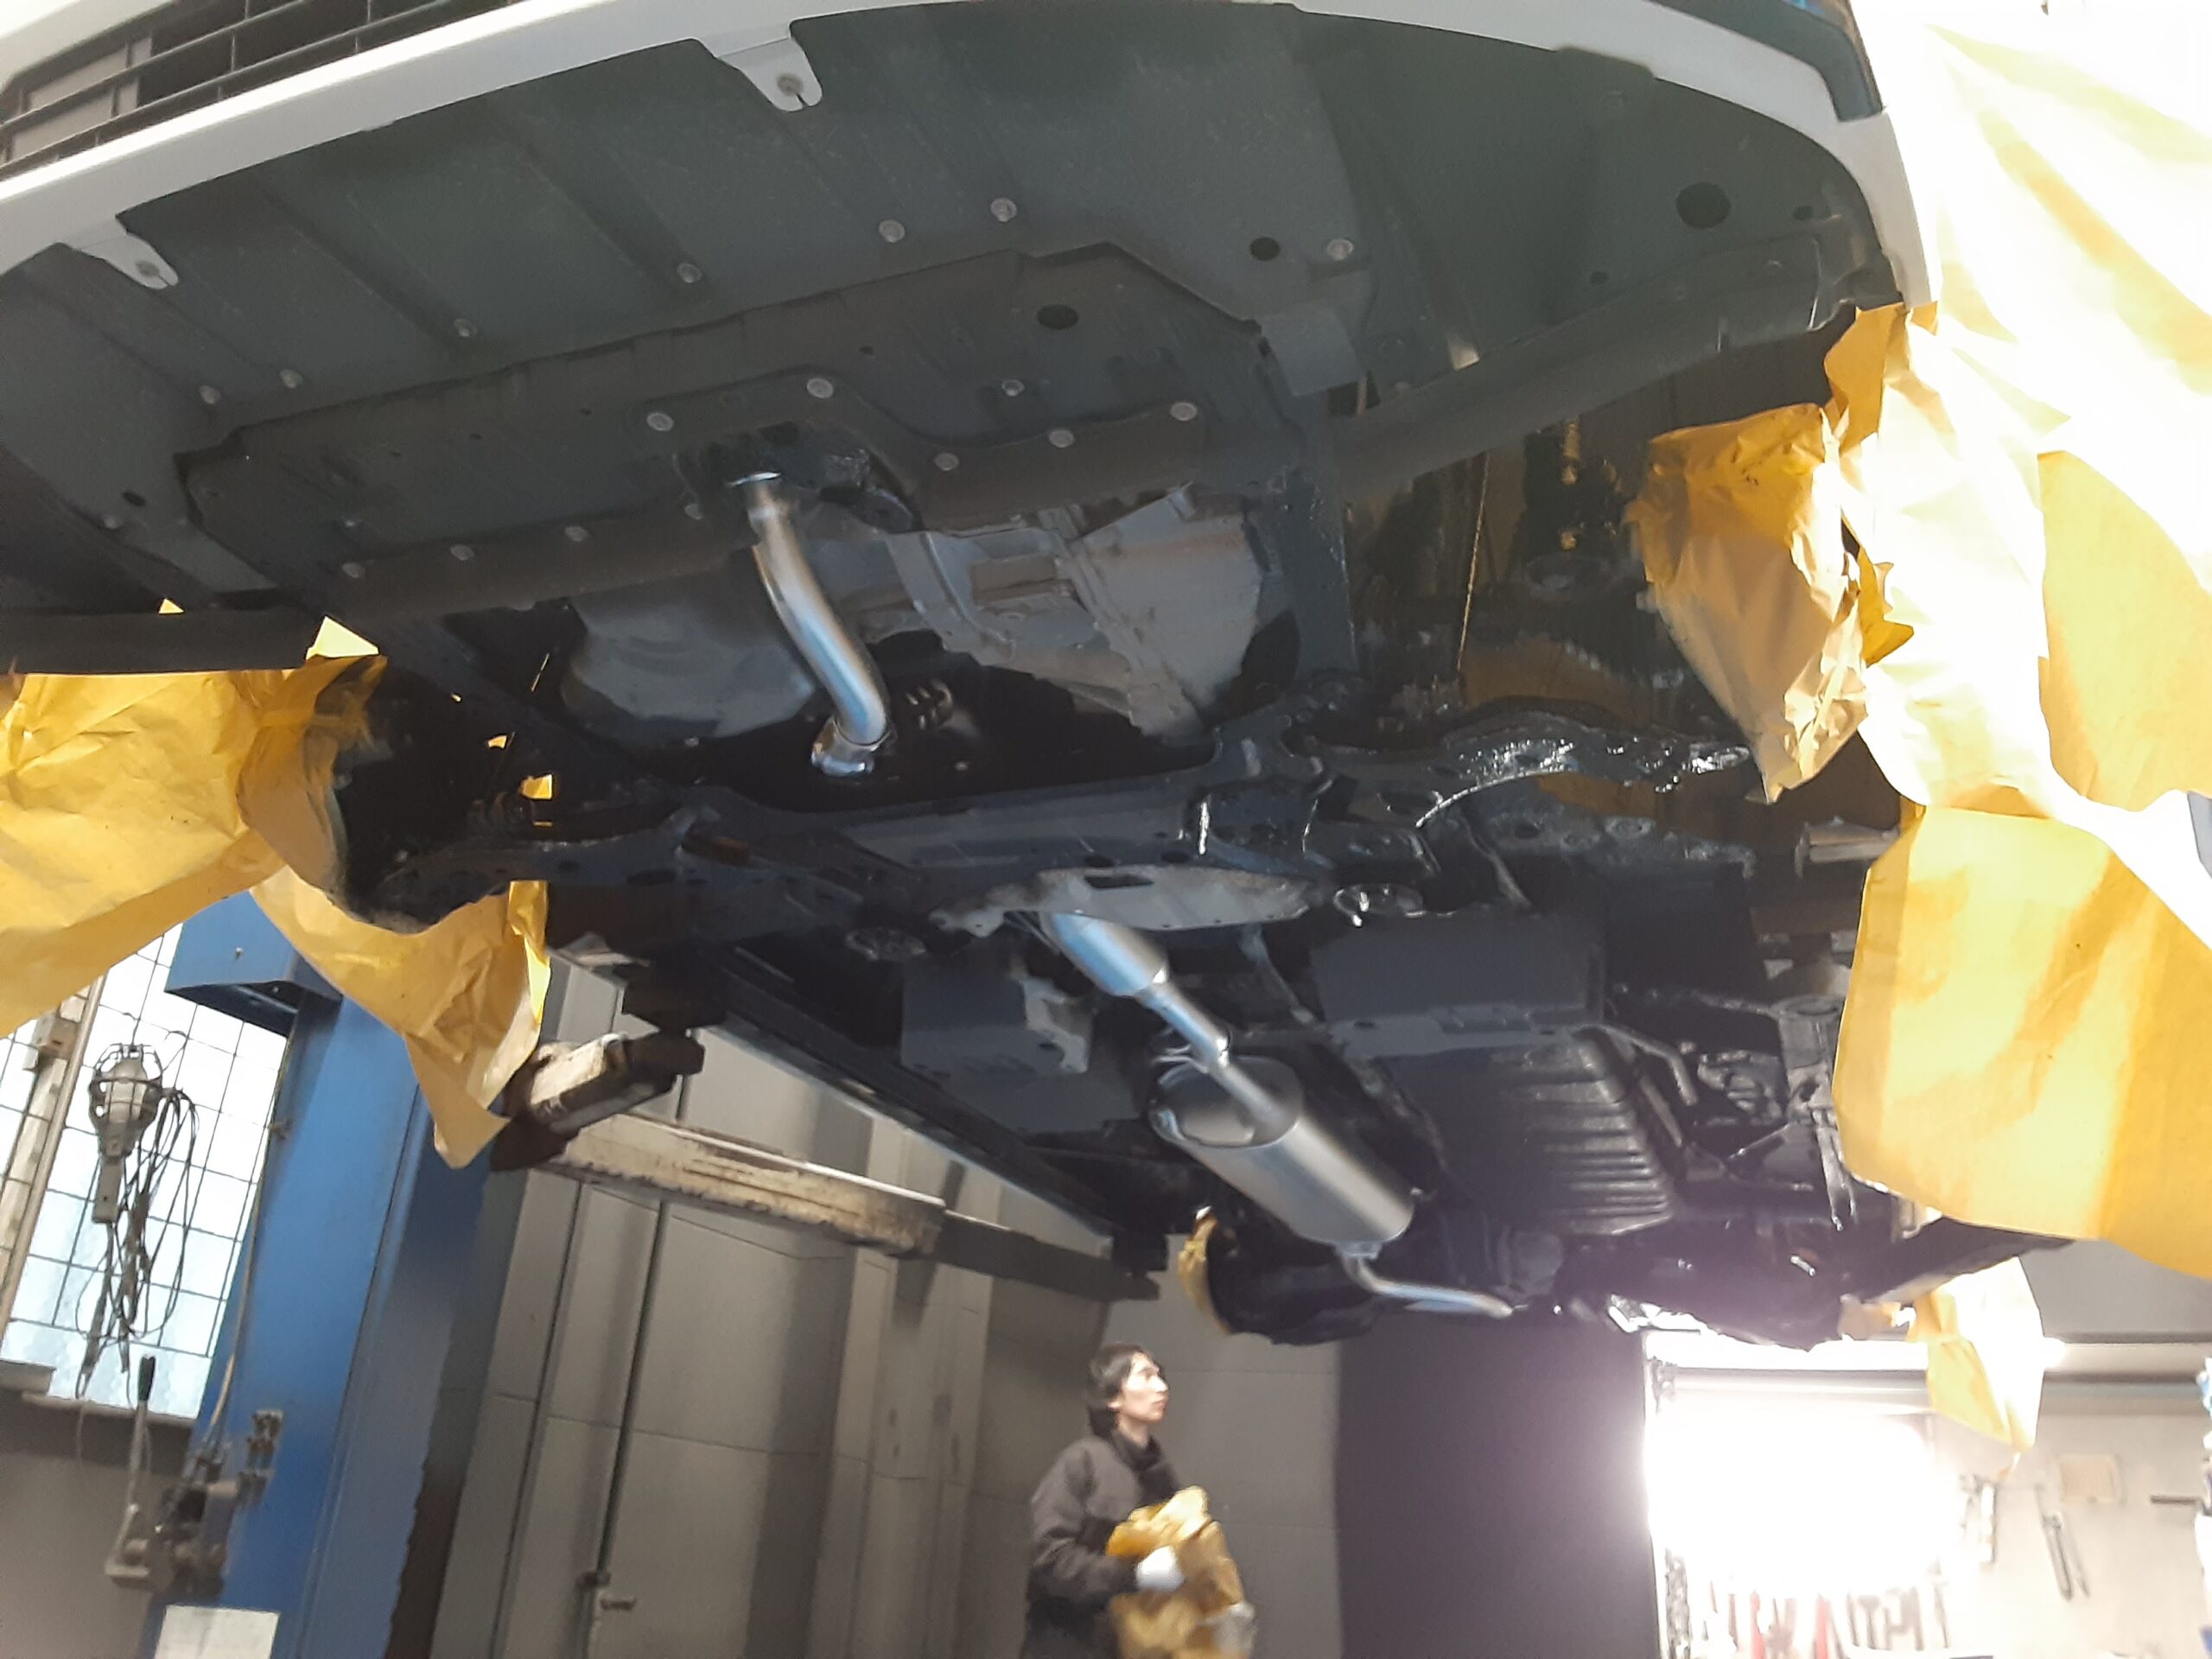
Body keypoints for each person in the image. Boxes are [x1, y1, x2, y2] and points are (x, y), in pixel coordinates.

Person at [1021, 1343, 1186, 1657]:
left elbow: (1181, 1561)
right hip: (1069, 1645)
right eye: (1146, 1376)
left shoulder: (1162, 1477)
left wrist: (1212, 1612)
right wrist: (1134, 1574)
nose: (1161, 1387)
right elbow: (1049, 1558)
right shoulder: (1081, 1462)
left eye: (1160, 1376)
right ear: (1112, 1397)